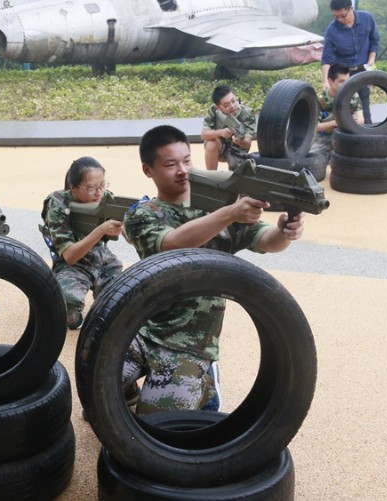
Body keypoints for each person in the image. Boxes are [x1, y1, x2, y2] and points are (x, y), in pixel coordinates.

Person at [122, 125, 305, 414]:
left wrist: (285, 231)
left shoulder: (217, 207)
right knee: (97, 375)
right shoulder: (142, 215)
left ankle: (204, 386)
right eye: (170, 164)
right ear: (148, 170)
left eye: (186, 160)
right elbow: (171, 246)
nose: (182, 170)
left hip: (190, 341)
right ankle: (131, 391)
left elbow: (266, 240)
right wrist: (230, 213)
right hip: (142, 329)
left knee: (154, 426)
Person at [40, 157, 125, 330]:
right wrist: (101, 230)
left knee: (122, 300)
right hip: (71, 265)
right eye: (92, 188)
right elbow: (70, 256)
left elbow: (127, 233)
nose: (99, 193)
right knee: (66, 309)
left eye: (103, 185)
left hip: (102, 258)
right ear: (73, 187)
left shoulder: (104, 197)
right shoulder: (57, 205)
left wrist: (126, 227)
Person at [321, 0, 380, 124]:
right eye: (335, 17)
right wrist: (325, 80)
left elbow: (374, 41)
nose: (339, 19)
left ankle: (368, 133)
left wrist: (371, 62)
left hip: (362, 69)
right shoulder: (331, 30)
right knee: (344, 106)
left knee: (364, 105)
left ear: (351, 8)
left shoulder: (367, 18)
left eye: (342, 15)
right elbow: (326, 57)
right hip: (343, 73)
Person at [311, 63, 364, 160]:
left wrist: (353, 121)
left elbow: (361, 119)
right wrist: (337, 122)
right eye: (341, 81)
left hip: (345, 135)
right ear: (330, 81)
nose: (345, 85)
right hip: (324, 136)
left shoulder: (353, 96)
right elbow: (315, 127)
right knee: (312, 155)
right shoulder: (320, 100)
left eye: (347, 81)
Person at [200, 85, 257, 171]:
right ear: (218, 107)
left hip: (238, 150)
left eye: (233, 101)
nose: (232, 106)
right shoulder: (213, 111)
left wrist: (239, 141)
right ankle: (210, 177)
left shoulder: (247, 113)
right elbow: (204, 135)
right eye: (226, 105)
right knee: (211, 144)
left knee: (236, 180)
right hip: (220, 147)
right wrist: (221, 132)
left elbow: (247, 143)